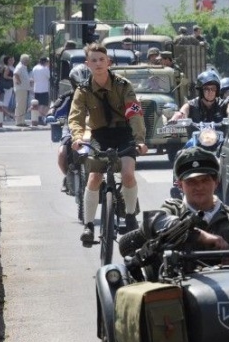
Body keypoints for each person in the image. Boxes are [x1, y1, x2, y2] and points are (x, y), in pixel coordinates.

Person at [68, 43, 148, 246]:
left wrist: (139, 140)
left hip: (124, 133)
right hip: (99, 135)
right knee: (94, 177)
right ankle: (88, 225)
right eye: (93, 60)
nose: (98, 64)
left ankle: (130, 216)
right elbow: (76, 116)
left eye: (101, 60)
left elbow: (135, 113)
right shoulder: (83, 90)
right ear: (87, 64)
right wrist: (77, 138)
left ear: (108, 62)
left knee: (128, 173)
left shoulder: (123, 85)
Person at [160, 147, 229, 253]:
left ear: (216, 182)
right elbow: (151, 224)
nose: (199, 187)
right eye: (191, 182)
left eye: (205, 180)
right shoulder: (172, 211)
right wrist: (199, 235)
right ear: (179, 185)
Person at [52, 64, 91, 192]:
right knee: (62, 152)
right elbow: (55, 107)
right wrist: (51, 114)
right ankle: (67, 176)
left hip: (91, 127)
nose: (82, 89)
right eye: (79, 85)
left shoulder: (97, 96)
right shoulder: (68, 96)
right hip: (71, 127)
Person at [31, 56, 52, 124]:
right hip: (43, 89)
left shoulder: (35, 68)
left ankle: (38, 117)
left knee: (38, 104)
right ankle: (40, 117)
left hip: (36, 88)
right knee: (43, 104)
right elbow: (49, 77)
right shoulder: (45, 69)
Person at [13, 54, 32, 126]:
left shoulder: (23, 67)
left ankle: (22, 121)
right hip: (20, 88)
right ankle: (18, 121)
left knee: (23, 105)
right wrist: (19, 81)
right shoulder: (20, 66)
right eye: (27, 60)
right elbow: (16, 74)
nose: (28, 62)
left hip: (23, 88)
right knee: (20, 104)